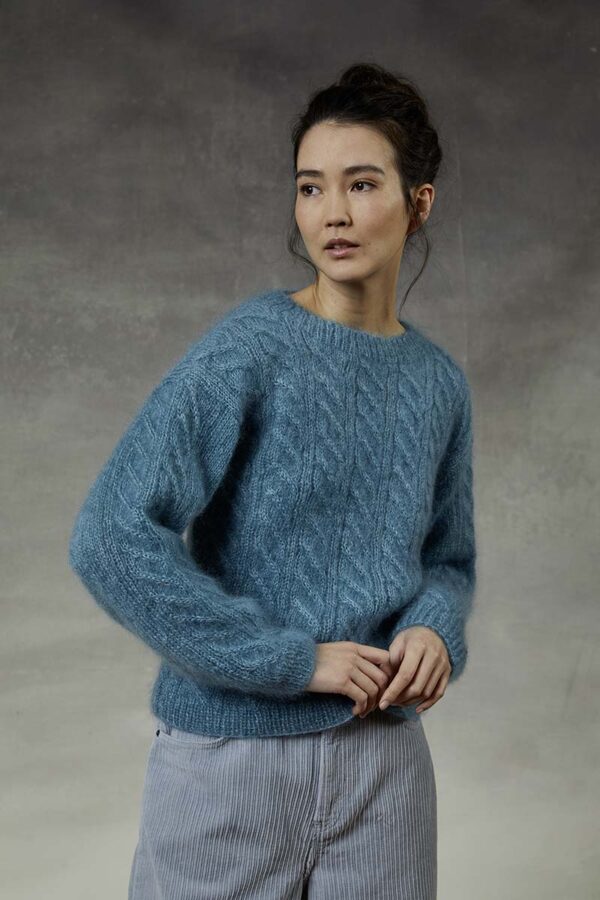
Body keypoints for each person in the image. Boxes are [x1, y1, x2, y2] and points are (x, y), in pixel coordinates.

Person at [69, 61, 477, 900]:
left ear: (419, 203)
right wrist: (287, 659)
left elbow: (447, 559)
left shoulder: (439, 383)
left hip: (384, 770)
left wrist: (434, 630)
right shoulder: (251, 348)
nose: (332, 213)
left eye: (361, 184)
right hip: (231, 766)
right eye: (310, 187)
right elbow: (109, 535)